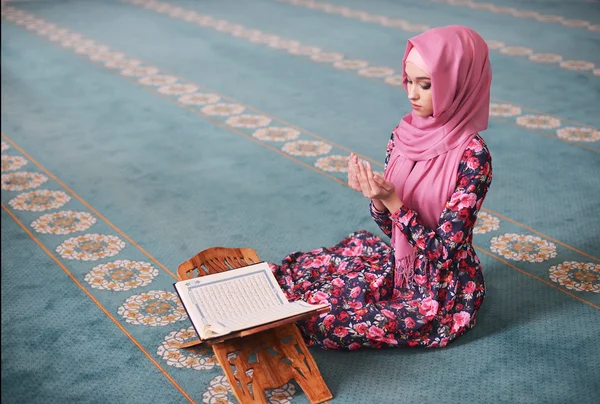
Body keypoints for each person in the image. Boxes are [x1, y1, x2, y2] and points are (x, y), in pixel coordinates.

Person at [270, 25, 493, 350]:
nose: (412, 94)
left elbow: (443, 254)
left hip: (440, 290)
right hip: (403, 261)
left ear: (458, 84)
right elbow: (393, 230)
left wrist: (395, 202)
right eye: (409, 80)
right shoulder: (404, 135)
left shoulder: (473, 156)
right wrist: (378, 200)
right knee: (314, 282)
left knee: (327, 320)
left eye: (426, 85)